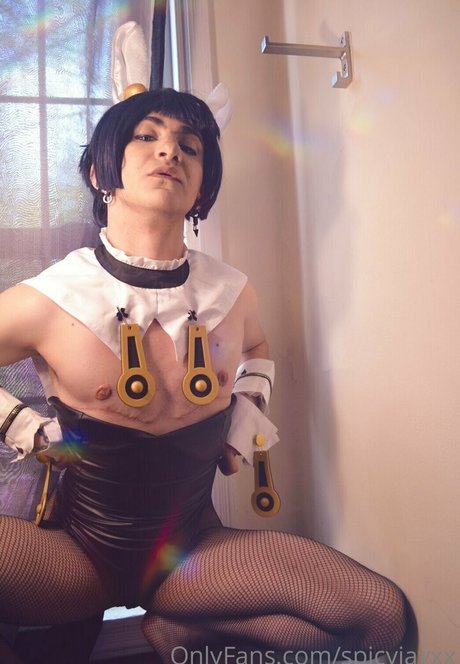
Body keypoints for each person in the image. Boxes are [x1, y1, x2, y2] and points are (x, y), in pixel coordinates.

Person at [0, 87, 412, 662]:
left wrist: (246, 411)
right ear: (99, 172)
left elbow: (258, 347)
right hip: (73, 558)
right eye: (146, 136)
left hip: (191, 553)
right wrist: (24, 425)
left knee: (382, 615)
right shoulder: (47, 299)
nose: (170, 151)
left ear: (202, 188)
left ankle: (184, 632)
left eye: (189, 146)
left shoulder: (232, 293)